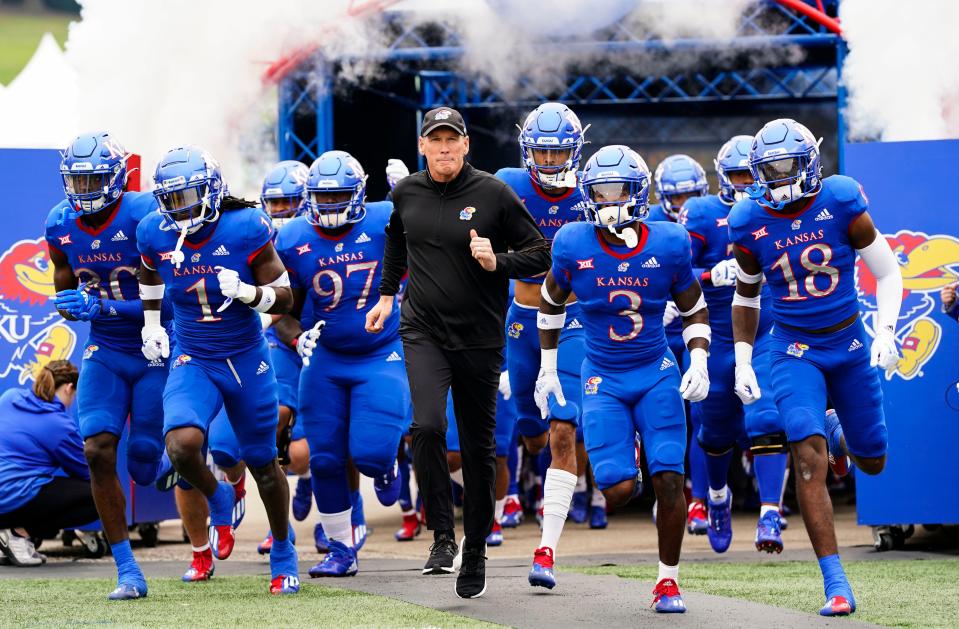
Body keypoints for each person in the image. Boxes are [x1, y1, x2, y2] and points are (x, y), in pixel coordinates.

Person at [366, 106, 551, 599]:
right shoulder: (405, 193)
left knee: (478, 448)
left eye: (453, 139)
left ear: (466, 145)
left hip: (480, 337)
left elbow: (542, 252)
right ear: (422, 147)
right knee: (425, 427)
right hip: (423, 330)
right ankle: (442, 537)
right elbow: (395, 244)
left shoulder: (493, 192)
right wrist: (387, 297)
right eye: (436, 140)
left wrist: (498, 260)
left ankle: (475, 550)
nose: (445, 147)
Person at [729, 119, 902, 616]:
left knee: (873, 460)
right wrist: (744, 360)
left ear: (809, 164)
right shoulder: (747, 220)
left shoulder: (842, 199)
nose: (780, 178)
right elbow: (746, 294)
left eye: (787, 167)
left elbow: (888, 272)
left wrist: (886, 331)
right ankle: (836, 584)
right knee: (806, 457)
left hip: (848, 343)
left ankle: (838, 432)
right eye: (769, 170)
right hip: (791, 349)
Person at [537, 144, 710, 613]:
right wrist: (547, 368)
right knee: (615, 490)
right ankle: (628, 452)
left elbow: (694, 307)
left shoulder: (670, 241)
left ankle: (668, 582)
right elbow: (551, 304)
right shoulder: (573, 242)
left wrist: (699, 360)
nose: (611, 199)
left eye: (619, 189)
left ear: (638, 193)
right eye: (601, 191)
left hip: (655, 370)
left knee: (670, 479)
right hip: (603, 377)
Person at [136, 146, 300, 595]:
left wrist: (249, 293)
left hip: (247, 355)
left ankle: (283, 548)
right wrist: (152, 323)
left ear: (210, 191)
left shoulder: (245, 225)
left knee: (264, 464)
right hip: (194, 353)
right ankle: (219, 494)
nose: (177, 208)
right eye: (169, 199)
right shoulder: (154, 230)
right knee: (182, 445)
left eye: (186, 196)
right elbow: (148, 273)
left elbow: (285, 297)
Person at [44, 132, 172, 600]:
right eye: (76, 181)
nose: (83, 190)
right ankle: (127, 571)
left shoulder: (144, 213)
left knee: (141, 465)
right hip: (106, 350)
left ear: (116, 176)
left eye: (93, 179)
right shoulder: (60, 224)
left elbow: (172, 298)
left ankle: (179, 466)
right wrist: (75, 306)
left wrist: (105, 309)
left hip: (156, 345)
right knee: (97, 450)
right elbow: (65, 297)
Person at [273, 150, 407, 578]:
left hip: (379, 351)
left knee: (368, 454)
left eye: (339, 197)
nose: (329, 207)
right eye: (322, 198)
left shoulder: (385, 217)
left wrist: (410, 191)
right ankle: (340, 549)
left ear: (359, 194)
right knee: (325, 459)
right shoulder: (293, 236)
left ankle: (389, 460)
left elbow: (438, 230)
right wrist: (299, 335)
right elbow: (282, 307)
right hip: (325, 357)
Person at [496, 103, 606, 570]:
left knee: (563, 426)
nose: (548, 162)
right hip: (522, 318)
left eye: (557, 153)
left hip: (574, 318)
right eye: (540, 153)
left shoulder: (595, 187)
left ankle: (547, 550)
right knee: (534, 435)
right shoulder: (507, 185)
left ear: (575, 151)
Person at [679, 137, 790, 554]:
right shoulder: (705, 214)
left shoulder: (777, 210)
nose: (746, 184)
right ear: (724, 179)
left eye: (752, 174)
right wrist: (711, 275)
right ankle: (719, 498)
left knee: (766, 418)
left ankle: (769, 514)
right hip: (717, 334)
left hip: (765, 330)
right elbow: (677, 271)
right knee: (716, 430)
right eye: (739, 176)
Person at [650, 154, 710, 535]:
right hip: (651, 334)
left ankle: (700, 499)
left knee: (702, 414)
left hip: (695, 327)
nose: (685, 204)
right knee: (658, 418)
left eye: (692, 194)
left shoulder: (706, 218)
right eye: (678, 195)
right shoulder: (648, 221)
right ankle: (666, 495)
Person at [0, 361, 96, 566]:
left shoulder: (9, 397)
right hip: (13, 496)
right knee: (98, 494)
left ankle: (10, 533)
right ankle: (19, 534)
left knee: (41, 487)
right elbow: (87, 472)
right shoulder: (59, 423)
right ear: (69, 388)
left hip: (8, 495)